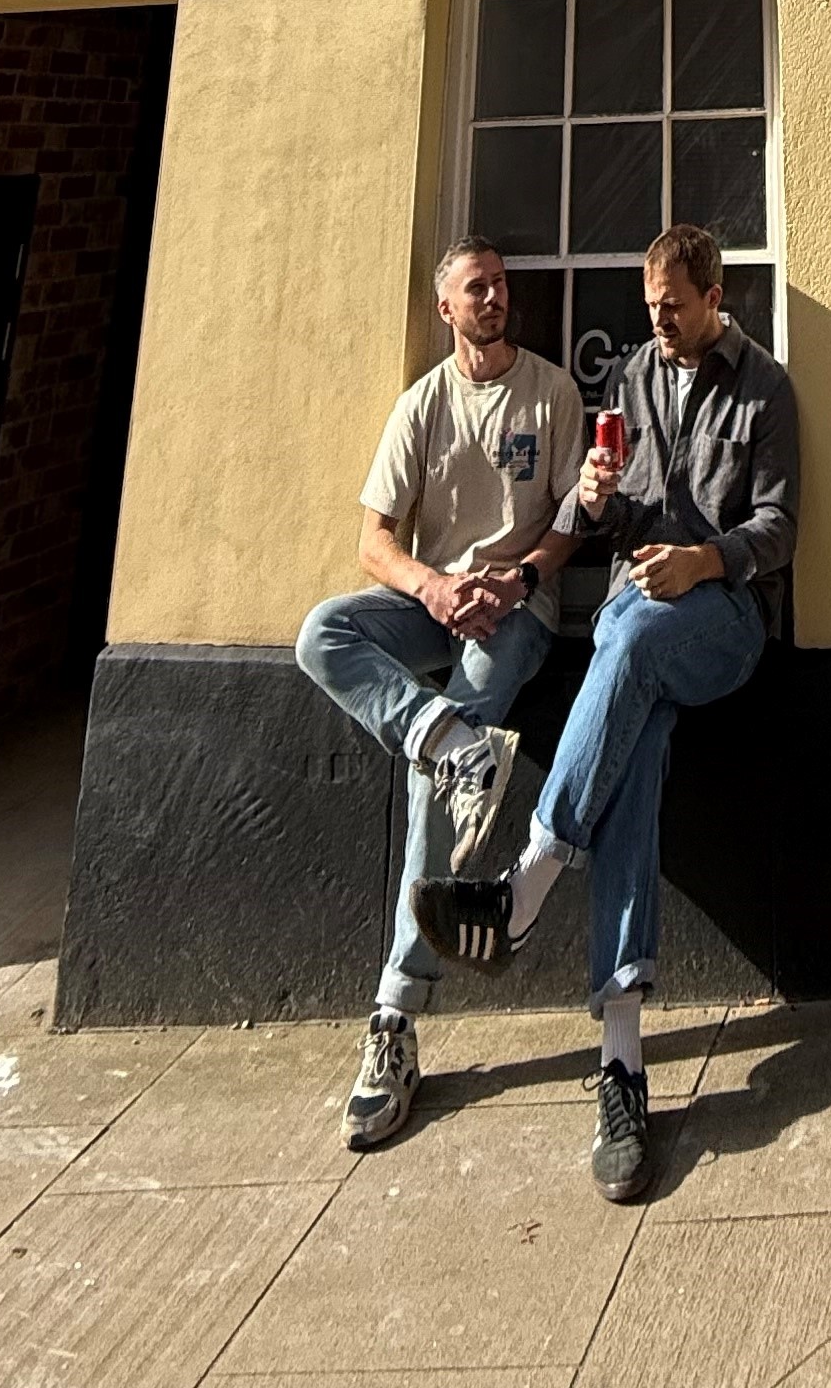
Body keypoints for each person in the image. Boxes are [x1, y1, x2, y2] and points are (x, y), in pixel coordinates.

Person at [413, 220, 798, 1203]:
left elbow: (780, 527)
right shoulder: (632, 377)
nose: (658, 324)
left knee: (625, 647)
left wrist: (703, 561)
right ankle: (622, 1061)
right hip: (640, 612)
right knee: (637, 736)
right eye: (650, 309)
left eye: (673, 308)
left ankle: (528, 883)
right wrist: (593, 500)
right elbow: (610, 519)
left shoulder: (766, 388)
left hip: (725, 618)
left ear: (716, 298)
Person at [295, 235, 583, 1150]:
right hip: (434, 603)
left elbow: (573, 521)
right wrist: (430, 587)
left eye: (501, 285)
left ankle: (394, 1016)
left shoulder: (552, 391)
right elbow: (373, 538)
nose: (494, 297)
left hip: (519, 614)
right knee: (323, 632)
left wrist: (519, 582)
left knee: (431, 777)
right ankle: (448, 738)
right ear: (445, 308)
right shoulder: (422, 403)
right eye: (476, 287)